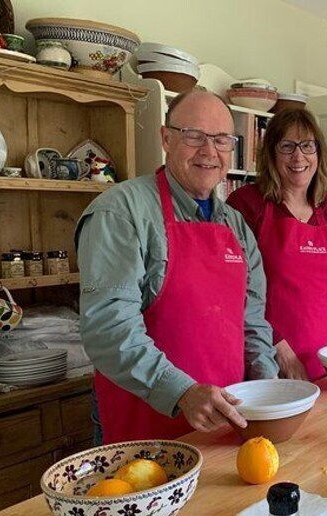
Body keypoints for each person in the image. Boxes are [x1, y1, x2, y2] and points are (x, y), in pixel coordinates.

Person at [76, 90, 279, 443]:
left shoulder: (236, 226)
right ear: (166, 138)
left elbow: (252, 321)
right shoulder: (121, 212)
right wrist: (182, 392)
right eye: (194, 135)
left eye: (221, 140)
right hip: (145, 428)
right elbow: (109, 329)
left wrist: (269, 390)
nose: (209, 151)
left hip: (226, 424)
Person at [227, 108, 327, 383]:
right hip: (271, 364)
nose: (298, 157)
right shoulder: (246, 204)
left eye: (307, 145)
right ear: (271, 153)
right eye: (287, 146)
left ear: (318, 152)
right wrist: (279, 351)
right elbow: (235, 292)